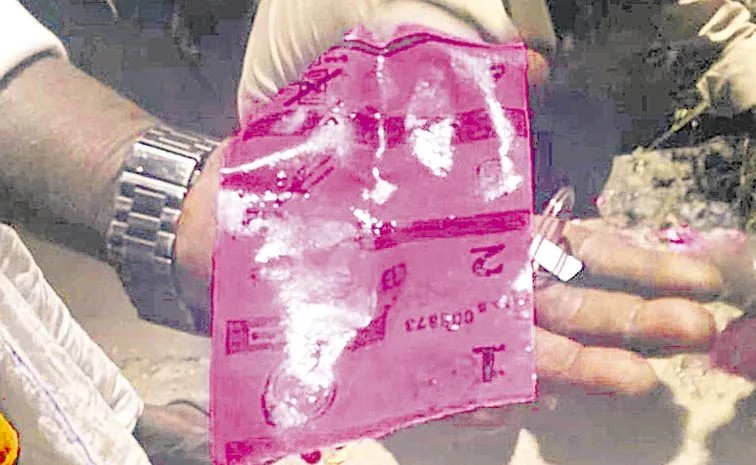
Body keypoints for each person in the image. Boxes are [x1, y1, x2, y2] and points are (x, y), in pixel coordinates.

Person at [1, 0, 754, 463]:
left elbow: (714, 26)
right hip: (334, 162)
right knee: (432, 378)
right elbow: (431, 209)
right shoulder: (437, 23)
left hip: (425, 168)